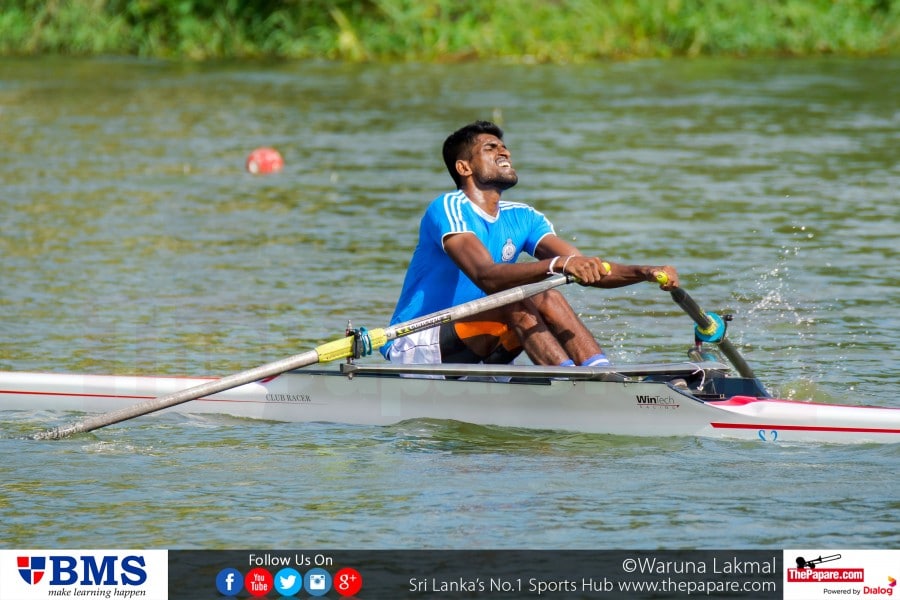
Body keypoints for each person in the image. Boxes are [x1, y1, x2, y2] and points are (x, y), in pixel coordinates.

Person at [381, 120, 679, 368]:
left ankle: (599, 372)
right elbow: (485, 274)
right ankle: (570, 384)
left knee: (543, 294)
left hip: (480, 338)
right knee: (518, 295)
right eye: (490, 147)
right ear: (464, 168)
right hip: (418, 341)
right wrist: (557, 265)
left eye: (504, 146)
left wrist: (643, 272)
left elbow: (585, 268)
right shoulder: (448, 208)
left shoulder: (524, 216)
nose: (504, 151)